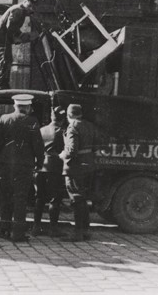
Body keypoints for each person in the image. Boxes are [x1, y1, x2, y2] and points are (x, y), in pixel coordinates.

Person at [0, 94, 44, 242]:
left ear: (15, 105)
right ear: (27, 107)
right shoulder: (32, 121)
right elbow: (38, 146)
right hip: (24, 165)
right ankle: (18, 233)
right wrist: (40, 163)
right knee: (20, 198)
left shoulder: (4, 119)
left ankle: (4, 230)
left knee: (5, 197)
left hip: (5, 164)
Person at [59, 104, 99, 242]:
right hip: (89, 166)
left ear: (68, 115)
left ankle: (77, 233)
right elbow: (95, 146)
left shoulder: (73, 126)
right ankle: (85, 231)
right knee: (83, 199)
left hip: (75, 168)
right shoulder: (89, 125)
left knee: (76, 199)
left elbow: (71, 150)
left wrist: (62, 155)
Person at [31, 106, 67, 238]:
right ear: (62, 119)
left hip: (40, 167)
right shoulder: (61, 132)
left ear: (52, 117)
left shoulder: (42, 130)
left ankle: (36, 227)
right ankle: (53, 229)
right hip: (55, 168)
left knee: (39, 198)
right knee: (54, 199)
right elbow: (63, 150)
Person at [0, 0, 39, 90]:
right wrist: (19, 37)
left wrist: (20, 37)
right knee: (4, 59)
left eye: (33, 8)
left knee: (7, 59)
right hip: (1, 37)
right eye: (29, 6)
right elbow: (11, 27)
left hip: (3, 36)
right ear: (25, 2)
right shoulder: (18, 10)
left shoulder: (21, 11)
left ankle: (2, 82)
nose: (31, 9)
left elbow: (13, 28)